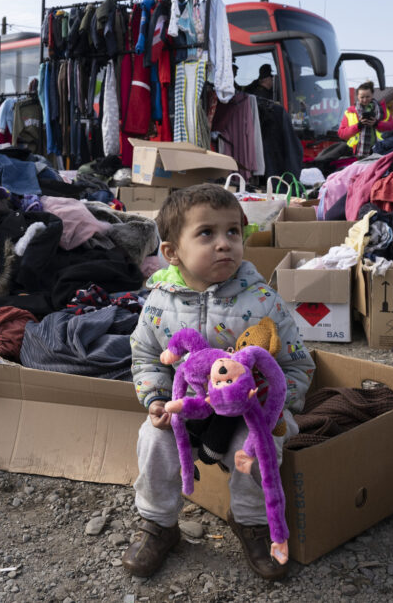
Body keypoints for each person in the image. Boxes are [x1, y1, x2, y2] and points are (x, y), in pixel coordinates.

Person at [123, 184, 315, 581]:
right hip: (187, 408)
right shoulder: (159, 303)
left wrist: (275, 407)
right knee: (153, 440)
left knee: (256, 448)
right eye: (206, 233)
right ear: (172, 251)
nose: (225, 244)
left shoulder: (262, 301)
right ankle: (159, 524)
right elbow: (145, 357)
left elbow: (297, 364)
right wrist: (157, 399)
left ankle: (250, 522)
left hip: (249, 410)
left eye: (233, 232)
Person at [337, 80, 393, 156]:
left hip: (380, 150)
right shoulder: (350, 112)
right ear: (357, 96)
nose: (365, 100)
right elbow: (341, 134)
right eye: (362, 97)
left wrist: (377, 124)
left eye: (367, 97)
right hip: (356, 153)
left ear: (372, 95)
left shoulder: (383, 110)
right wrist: (358, 126)